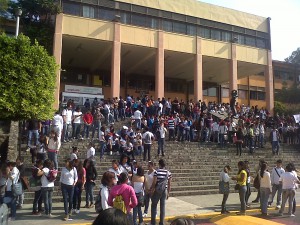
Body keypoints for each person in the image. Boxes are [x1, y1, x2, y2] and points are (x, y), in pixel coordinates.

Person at [150, 159, 172, 225]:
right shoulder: (168, 173)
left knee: (154, 205)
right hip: (164, 191)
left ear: (159, 164)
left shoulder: (156, 172)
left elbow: (154, 182)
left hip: (157, 191)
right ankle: (161, 222)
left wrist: (152, 190)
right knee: (162, 207)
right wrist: (168, 193)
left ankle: (153, 222)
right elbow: (169, 184)